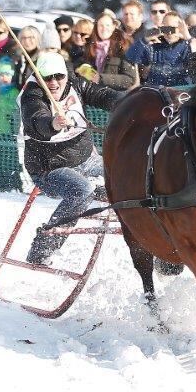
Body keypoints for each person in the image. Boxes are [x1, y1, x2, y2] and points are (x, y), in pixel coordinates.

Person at [21, 52, 123, 265]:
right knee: (82, 190)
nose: (54, 82)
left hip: (86, 158)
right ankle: (43, 247)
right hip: (49, 168)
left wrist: (128, 103)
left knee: (126, 175)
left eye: (59, 76)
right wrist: (53, 124)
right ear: (38, 77)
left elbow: (102, 94)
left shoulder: (75, 84)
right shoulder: (32, 95)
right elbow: (37, 120)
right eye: (47, 77)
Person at [126, 11, 196, 86]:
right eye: (166, 29)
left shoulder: (187, 47)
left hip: (179, 93)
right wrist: (145, 39)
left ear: (182, 28)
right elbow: (130, 58)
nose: (169, 33)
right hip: (157, 94)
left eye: (173, 29)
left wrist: (188, 37)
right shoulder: (154, 48)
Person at [80, 11, 138, 90]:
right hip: (93, 93)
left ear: (113, 26)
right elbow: (80, 64)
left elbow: (129, 79)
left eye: (107, 25)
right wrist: (84, 70)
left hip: (116, 96)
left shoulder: (123, 46)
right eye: (101, 25)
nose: (104, 29)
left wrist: (101, 78)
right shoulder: (90, 45)